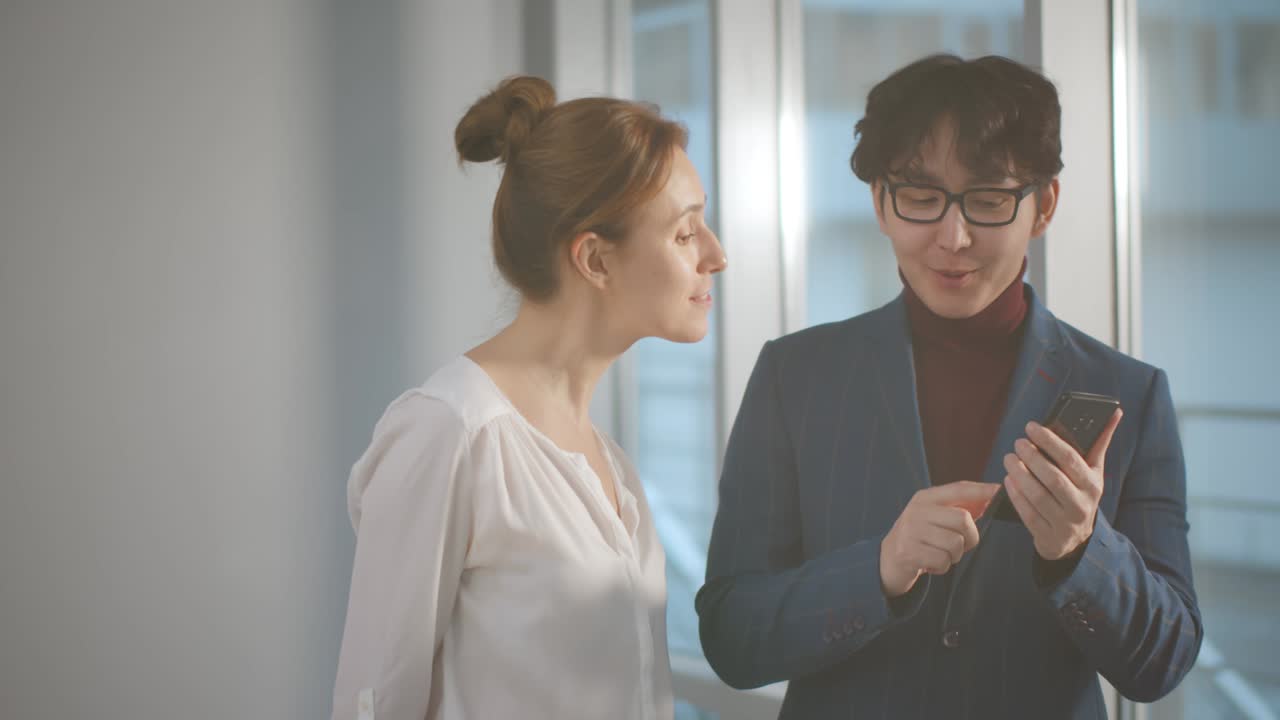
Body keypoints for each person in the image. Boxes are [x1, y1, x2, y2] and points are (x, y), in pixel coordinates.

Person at [697, 54, 1201, 719]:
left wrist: (1082, 549)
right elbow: (730, 636)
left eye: (988, 200)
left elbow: (1164, 661)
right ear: (880, 203)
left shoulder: (1128, 393)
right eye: (920, 197)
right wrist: (878, 570)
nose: (953, 237)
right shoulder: (796, 376)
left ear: (1044, 206)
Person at [330, 75, 726, 720]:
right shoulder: (451, 432)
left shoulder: (613, 467)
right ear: (595, 260)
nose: (717, 255)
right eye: (685, 234)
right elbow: (372, 703)